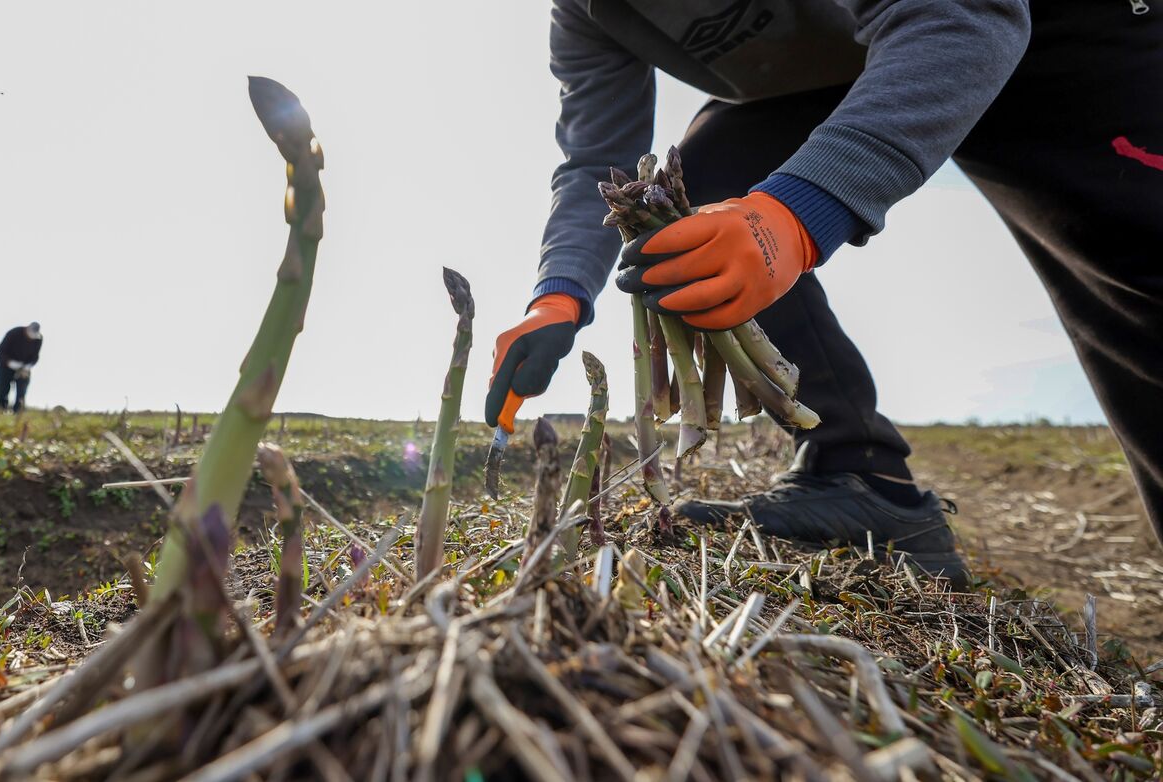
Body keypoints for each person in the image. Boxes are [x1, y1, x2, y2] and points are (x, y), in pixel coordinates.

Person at [485, 0, 1162, 587]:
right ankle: (862, 475)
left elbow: (958, 18)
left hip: (1046, 30)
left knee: (1140, 294)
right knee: (701, 187)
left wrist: (797, 216)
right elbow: (592, 162)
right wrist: (559, 296)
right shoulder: (587, 14)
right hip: (841, 64)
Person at [0, 322, 43, 413]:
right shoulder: (14, 333)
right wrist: (11, 363)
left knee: (22, 390)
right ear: (27, 329)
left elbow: (35, 357)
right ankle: (0, 410)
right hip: (6, 365)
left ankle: (18, 412)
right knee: (2, 389)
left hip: (23, 368)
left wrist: (27, 367)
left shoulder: (38, 339)